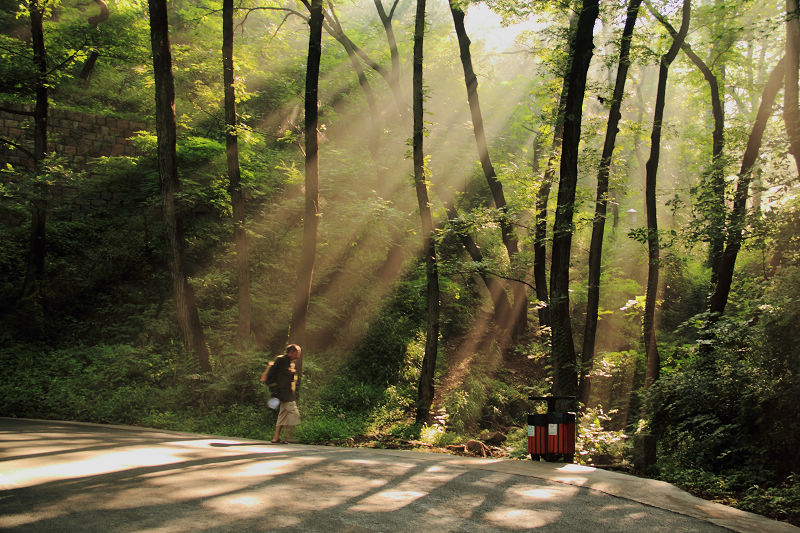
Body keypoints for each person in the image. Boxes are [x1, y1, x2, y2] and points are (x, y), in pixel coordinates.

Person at [267, 344, 301, 444]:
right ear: (291, 352)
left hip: (286, 393)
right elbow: (271, 375)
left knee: (282, 415)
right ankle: (289, 436)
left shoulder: (289, 363)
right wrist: (274, 389)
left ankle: (276, 438)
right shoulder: (281, 360)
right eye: (297, 353)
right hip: (283, 393)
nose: (298, 355)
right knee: (294, 414)